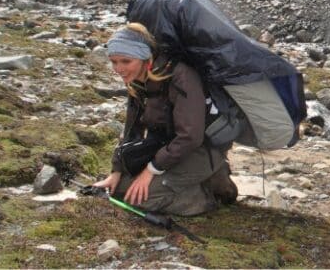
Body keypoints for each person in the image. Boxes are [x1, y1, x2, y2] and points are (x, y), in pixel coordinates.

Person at [93, 23, 238, 216]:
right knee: (118, 189)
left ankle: (209, 193)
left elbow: (191, 136)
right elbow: (131, 130)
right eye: (114, 61)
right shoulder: (138, 80)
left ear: (146, 57)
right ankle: (198, 178)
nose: (118, 69)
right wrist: (117, 170)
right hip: (167, 148)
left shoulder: (181, 77)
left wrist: (151, 170)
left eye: (126, 61)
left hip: (202, 148)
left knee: (140, 198)